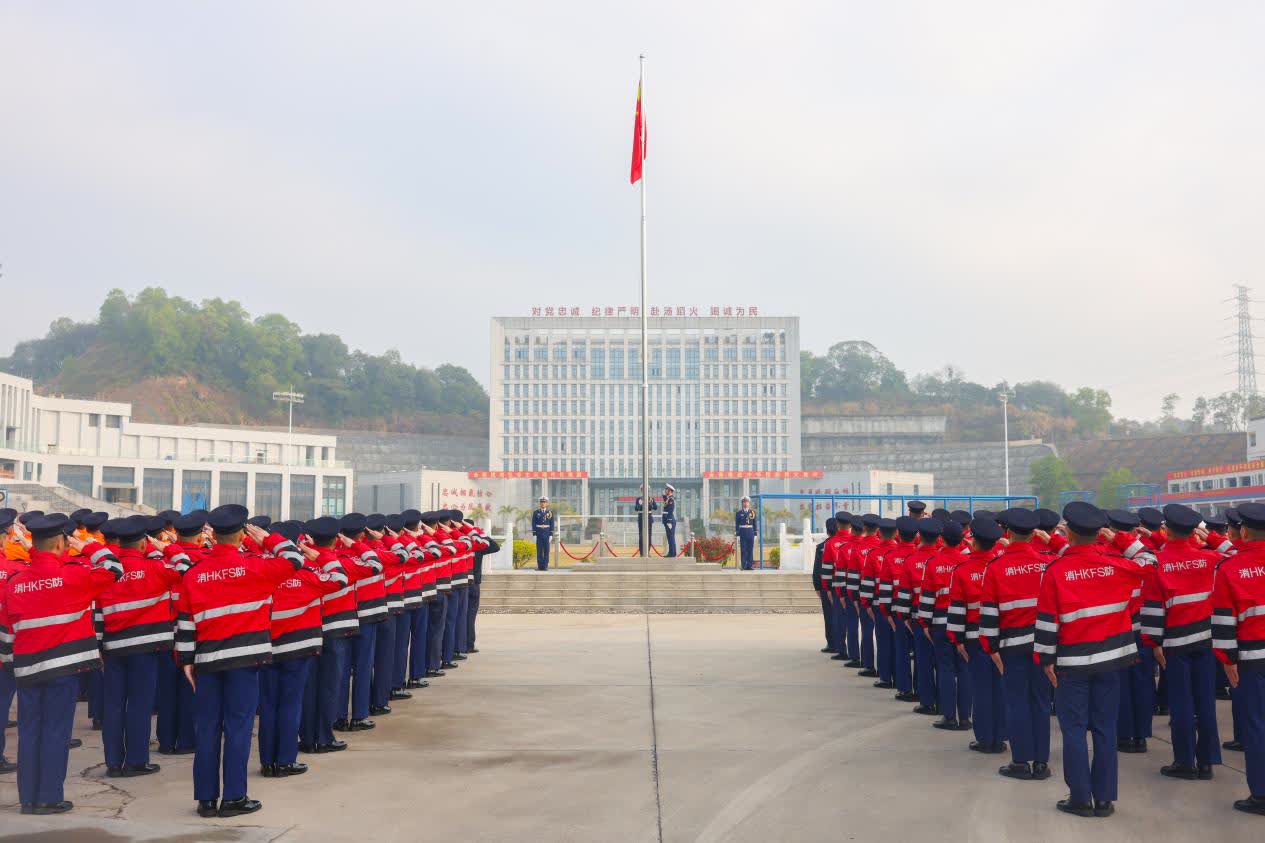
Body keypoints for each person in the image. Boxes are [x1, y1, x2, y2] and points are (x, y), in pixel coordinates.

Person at [175, 505, 304, 818]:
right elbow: (295, 559)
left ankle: (206, 800)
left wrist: (186, 661)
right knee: (238, 727)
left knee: (207, 729)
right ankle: (233, 797)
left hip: (206, 661)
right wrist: (268, 538)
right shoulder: (256, 567)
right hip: (244, 662)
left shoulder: (194, 573)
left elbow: (185, 623)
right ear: (242, 536)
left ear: (214, 535)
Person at [2, 513, 123, 815]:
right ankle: (49, 797)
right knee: (55, 731)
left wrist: (11, 662)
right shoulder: (75, 576)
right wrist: (87, 546)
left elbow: (7, 630)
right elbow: (114, 568)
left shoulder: (15, 582)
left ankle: (29, 798)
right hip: (63, 668)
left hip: (27, 669)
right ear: (60, 543)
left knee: (30, 731)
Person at [1036, 501, 1146, 819]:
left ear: (1069, 533)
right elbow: (1149, 560)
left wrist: (1046, 660)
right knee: (1105, 728)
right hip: (1111, 662)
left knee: (1073, 730)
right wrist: (1120, 539)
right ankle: (1105, 798)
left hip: (1072, 664)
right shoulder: (1118, 565)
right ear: (1100, 533)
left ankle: (1080, 798)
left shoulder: (1056, 571)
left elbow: (1047, 621)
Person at [97, 516, 182, 778]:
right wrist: (165, 547)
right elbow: (185, 567)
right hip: (145, 649)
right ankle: (135, 760)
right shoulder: (155, 568)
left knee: (113, 705)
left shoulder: (107, 570)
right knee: (139, 704)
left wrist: (98, 646)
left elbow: (97, 611)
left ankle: (113, 762)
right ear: (143, 544)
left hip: (113, 647)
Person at [259, 520, 344, 778]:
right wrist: (318, 556)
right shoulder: (306, 574)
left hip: (265, 647)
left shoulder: (259, 571)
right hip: (297, 649)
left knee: (268, 705)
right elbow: (339, 578)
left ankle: (268, 761)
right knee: (291, 704)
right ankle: (285, 760)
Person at [1142, 504, 1221, 780]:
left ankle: (1185, 761)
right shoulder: (1209, 558)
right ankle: (1207, 761)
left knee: (1181, 703)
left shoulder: (1158, 562)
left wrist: (1154, 643)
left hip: (1175, 643)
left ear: (1167, 530)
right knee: (1205, 701)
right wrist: (1211, 537)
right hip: (1206, 640)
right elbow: (1236, 554)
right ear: (1193, 531)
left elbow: (1153, 609)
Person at [979, 507, 1051, 780]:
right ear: (1034, 534)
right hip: (1043, 645)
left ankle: (1021, 762)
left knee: (1016, 702)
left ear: (1007, 533)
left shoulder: (996, 567)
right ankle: (1041, 763)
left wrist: (991, 648)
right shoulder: (1047, 563)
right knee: (1041, 702)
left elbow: (989, 615)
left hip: (1012, 648)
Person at [1211, 501, 1265, 815]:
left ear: (1243, 531)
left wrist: (1227, 659)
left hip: (1251, 659)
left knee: (1256, 725)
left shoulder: (1230, 568)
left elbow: (1223, 620)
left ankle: (1261, 794)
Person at [296, 516, 357, 755]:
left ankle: (307, 737)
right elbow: (374, 563)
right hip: (335, 631)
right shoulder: (342, 562)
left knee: (308, 686)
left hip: (308, 631)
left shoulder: (302, 563)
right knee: (330, 685)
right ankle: (323, 736)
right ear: (335, 539)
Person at [948, 517, 1006, 754]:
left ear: (973, 542)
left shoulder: (962, 570)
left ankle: (985, 739)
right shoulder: (1002, 567)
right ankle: (1000, 737)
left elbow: (957, 609)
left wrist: (957, 640)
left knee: (981, 689)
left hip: (974, 640)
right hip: (1001, 639)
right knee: (1000, 688)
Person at [925, 520, 972, 731]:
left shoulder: (933, 562)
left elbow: (927, 597)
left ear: (941, 539)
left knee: (945, 669)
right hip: (964, 623)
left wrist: (925, 623)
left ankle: (949, 716)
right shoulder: (966, 561)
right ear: (962, 540)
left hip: (941, 623)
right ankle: (965, 717)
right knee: (964, 669)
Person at [813, 518, 838, 654]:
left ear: (827, 531)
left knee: (829, 616)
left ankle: (832, 643)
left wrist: (817, 586)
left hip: (825, 585)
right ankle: (843, 644)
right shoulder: (846, 544)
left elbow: (817, 570)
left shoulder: (822, 547)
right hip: (843, 586)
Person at [532, 497, 554, 571]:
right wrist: (534, 534)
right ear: (540, 503)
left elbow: (552, 524)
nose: (543, 503)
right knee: (539, 550)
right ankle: (540, 566)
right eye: (541, 502)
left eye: (544, 502)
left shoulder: (550, 513)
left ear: (546, 503)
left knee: (546, 550)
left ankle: (545, 566)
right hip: (539, 534)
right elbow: (534, 523)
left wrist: (551, 534)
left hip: (547, 534)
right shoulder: (536, 512)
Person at [735, 497, 756, 570]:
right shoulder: (739, 513)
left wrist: (755, 533)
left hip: (750, 531)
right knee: (743, 549)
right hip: (743, 532)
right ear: (742, 503)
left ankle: (749, 565)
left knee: (750, 549)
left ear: (749, 503)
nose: (745, 503)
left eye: (747, 502)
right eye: (744, 502)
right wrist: (737, 534)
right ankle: (743, 565)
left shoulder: (752, 512)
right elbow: (737, 524)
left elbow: (754, 523)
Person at [635, 489, 658, 557]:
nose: (644, 491)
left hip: (649, 518)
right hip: (641, 518)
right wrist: (640, 504)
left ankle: (648, 551)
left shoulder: (651, 499)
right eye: (643, 490)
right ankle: (642, 553)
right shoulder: (638, 499)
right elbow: (636, 508)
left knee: (649, 536)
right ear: (641, 491)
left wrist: (650, 503)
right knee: (641, 536)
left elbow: (655, 507)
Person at [661, 484, 678, 557]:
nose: (665, 490)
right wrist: (664, 495)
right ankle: (673, 553)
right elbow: (665, 500)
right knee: (670, 537)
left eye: (666, 489)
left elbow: (670, 510)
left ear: (670, 491)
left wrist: (668, 520)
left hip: (669, 520)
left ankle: (671, 553)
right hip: (668, 520)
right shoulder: (668, 498)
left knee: (670, 537)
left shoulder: (671, 499)